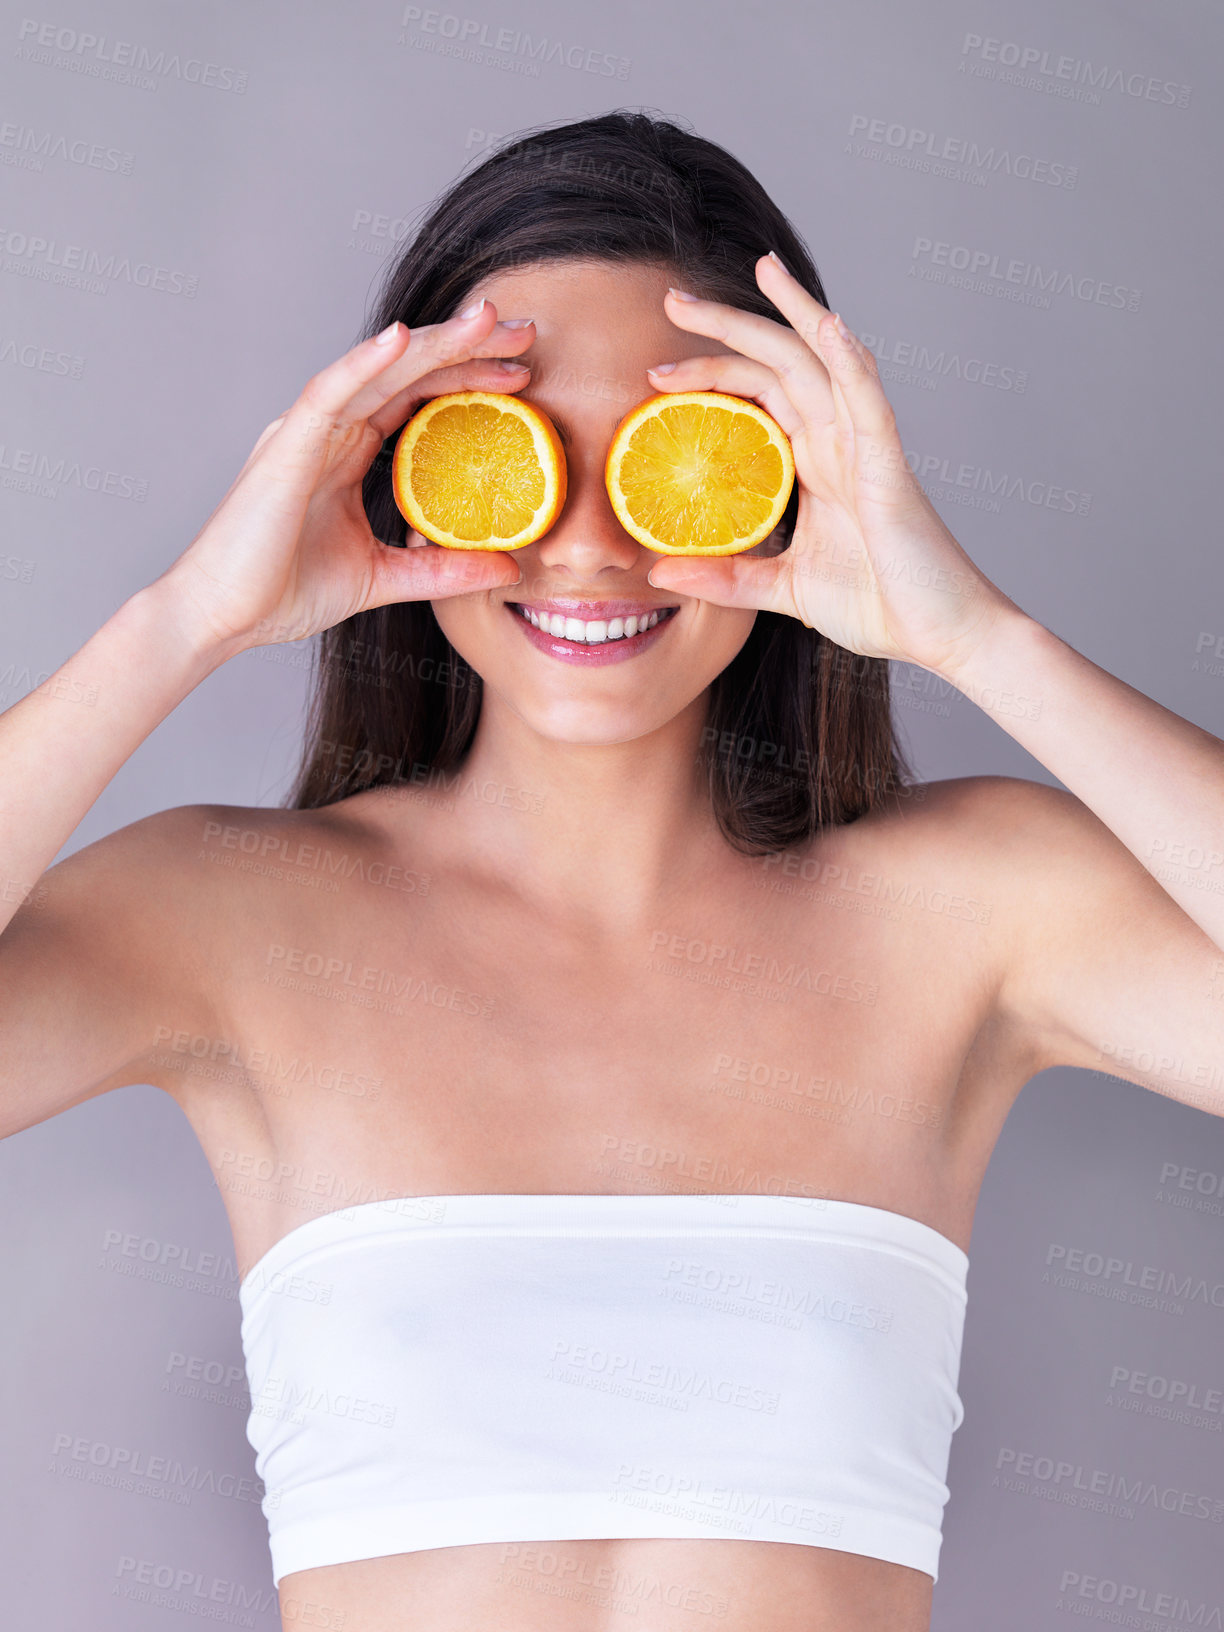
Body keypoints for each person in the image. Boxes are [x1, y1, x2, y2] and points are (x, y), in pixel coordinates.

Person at [2, 109, 1221, 1632]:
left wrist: (973, 634)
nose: (586, 549)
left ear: (792, 476)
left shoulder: (971, 912)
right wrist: (182, 620)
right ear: (393, 481)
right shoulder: (231, 920)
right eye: (511, 462)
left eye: (671, 459)